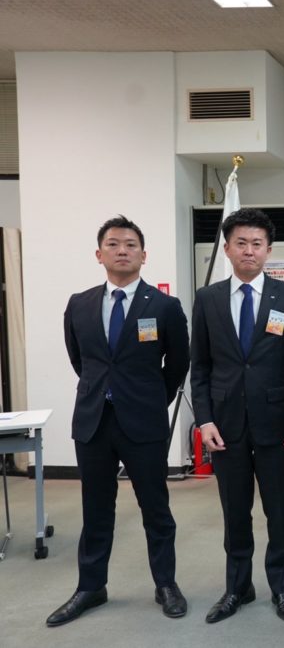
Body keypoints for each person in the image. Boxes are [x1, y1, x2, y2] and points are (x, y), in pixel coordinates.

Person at [49, 216, 189, 627]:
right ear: (99, 254)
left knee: (155, 508)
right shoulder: (79, 304)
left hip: (143, 421)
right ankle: (91, 587)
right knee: (95, 508)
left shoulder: (164, 307)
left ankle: (165, 584)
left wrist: (151, 399)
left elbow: (178, 363)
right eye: (113, 244)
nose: (122, 250)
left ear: (144, 255)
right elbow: (81, 360)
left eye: (130, 244)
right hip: (93, 421)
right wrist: (103, 391)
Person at [191, 208, 284, 624]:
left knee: (279, 511)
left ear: (268, 250)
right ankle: (237, 588)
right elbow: (200, 367)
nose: (249, 250)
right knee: (234, 512)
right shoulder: (208, 299)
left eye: (257, 244)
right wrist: (204, 419)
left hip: (276, 422)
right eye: (241, 243)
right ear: (227, 249)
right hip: (224, 425)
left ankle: (282, 588)